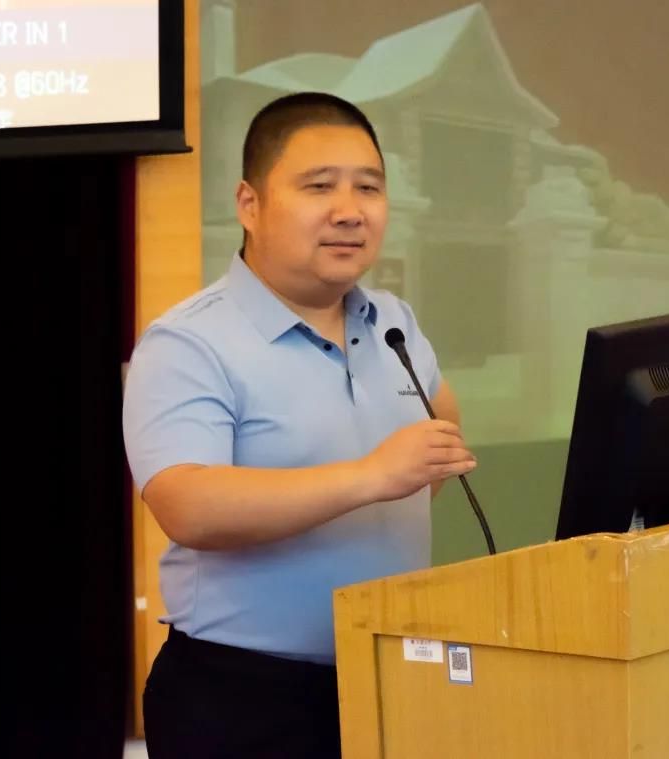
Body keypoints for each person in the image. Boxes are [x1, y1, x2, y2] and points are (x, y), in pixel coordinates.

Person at [122, 92, 476, 759]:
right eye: (319, 186)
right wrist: (369, 477)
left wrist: (393, 480)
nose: (350, 210)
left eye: (368, 187)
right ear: (249, 204)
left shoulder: (393, 321)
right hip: (244, 699)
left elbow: (440, 433)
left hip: (390, 678)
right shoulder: (189, 342)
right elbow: (186, 504)